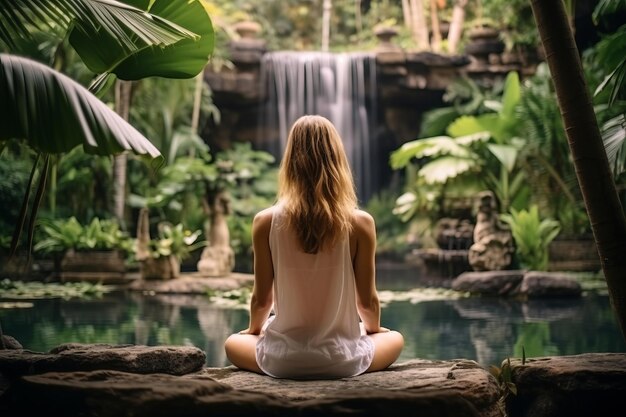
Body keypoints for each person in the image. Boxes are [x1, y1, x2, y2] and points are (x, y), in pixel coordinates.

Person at [224, 115, 404, 379]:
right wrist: (373, 330)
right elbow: (366, 302)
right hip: (344, 361)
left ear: (290, 162)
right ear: (337, 160)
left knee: (232, 343)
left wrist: (254, 332)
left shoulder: (265, 222)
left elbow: (262, 300)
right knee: (396, 338)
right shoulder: (361, 222)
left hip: (283, 362)